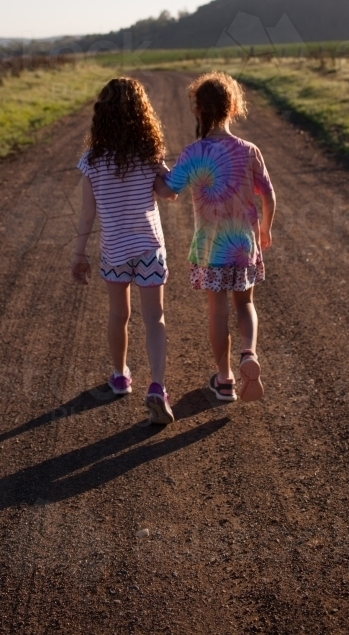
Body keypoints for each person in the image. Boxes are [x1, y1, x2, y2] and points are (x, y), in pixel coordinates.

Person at [155, 72, 275, 403]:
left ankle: (224, 381)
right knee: (246, 303)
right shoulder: (250, 150)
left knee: (217, 311)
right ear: (233, 107)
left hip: (210, 249)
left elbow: (167, 191)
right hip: (243, 245)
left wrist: (155, 166)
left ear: (198, 110)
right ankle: (248, 353)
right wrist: (264, 229)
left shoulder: (194, 153)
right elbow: (268, 195)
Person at [71, 76, 174, 424]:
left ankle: (120, 375)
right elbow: (169, 193)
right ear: (141, 114)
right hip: (148, 247)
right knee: (154, 319)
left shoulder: (91, 160)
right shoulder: (148, 155)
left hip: (115, 250)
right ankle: (157, 387)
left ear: (102, 114)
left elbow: (87, 212)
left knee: (119, 315)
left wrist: (79, 254)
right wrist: (166, 169)